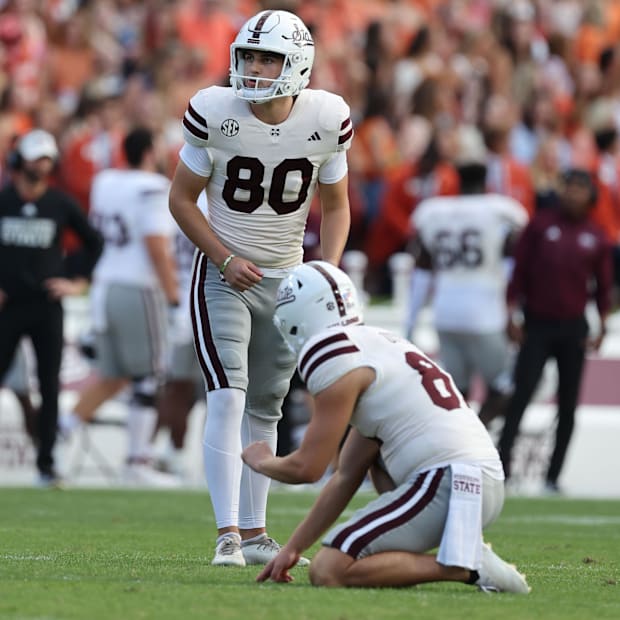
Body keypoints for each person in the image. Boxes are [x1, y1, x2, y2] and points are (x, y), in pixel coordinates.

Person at [168, 9, 353, 567]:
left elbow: (337, 203)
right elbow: (181, 200)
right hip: (224, 273)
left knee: (268, 406)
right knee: (228, 392)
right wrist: (223, 257)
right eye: (247, 56)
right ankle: (227, 532)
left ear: (297, 65)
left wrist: (326, 269)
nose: (252, 68)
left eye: (266, 58)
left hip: (287, 276)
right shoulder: (214, 110)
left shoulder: (326, 117)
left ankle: (254, 531)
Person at [241, 261, 530, 593]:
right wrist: (294, 547)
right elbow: (347, 474)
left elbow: (308, 467)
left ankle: (468, 567)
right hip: (481, 480)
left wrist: (261, 460)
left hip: (446, 480)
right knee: (371, 466)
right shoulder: (378, 343)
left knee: (329, 570)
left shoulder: (333, 353)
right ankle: (462, 560)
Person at [60, 126, 180, 487]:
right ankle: (137, 461)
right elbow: (156, 245)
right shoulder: (153, 188)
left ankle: (58, 432)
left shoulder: (107, 181)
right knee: (149, 374)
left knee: (114, 374)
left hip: (105, 285)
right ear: (148, 152)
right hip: (138, 287)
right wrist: (174, 298)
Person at [498, 168, 613, 494]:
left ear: (590, 196)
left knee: (568, 405)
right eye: (569, 187)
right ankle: (501, 468)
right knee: (521, 396)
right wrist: (511, 314)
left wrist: (602, 326)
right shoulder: (541, 225)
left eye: (580, 189)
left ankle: (553, 477)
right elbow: (518, 272)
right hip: (537, 323)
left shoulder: (596, 234)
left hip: (573, 327)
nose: (573, 194)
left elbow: (602, 287)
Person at [405, 125, 529, 427]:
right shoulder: (502, 209)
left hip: (446, 311)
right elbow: (516, 259)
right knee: (506, 386)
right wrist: (515, 308)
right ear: (486, 181)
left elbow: (422, 269)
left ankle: (464, 439)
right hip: (485, 311)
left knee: (456, 391)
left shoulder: (434, 212)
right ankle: (479, 434)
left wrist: (410, 324)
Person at [0, 128, 104, 487]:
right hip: (8, 306)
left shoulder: (60, 204)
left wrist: (76, 282)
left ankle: (46, 465)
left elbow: (93, 242)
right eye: (36, 158)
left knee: (49, 384)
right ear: (19, 161)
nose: (42, 166)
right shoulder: (5, 201)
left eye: (47, 159)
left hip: (46, 306)